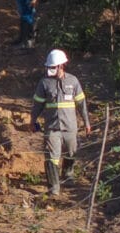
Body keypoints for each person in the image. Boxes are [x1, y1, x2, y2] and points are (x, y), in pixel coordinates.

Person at [30, 49, 90, 197]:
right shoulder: (44, 83)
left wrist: (87, 122)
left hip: (70, 126)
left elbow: (81, 104)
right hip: (52, 127)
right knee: (52, 156)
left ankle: (68, 173)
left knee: (71, 151)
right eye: (49, 67)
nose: (50, 70)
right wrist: (33, 120)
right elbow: (37, 104)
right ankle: (54, 187)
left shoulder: (73, 81)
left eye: (53, 67)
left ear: (61, 66)